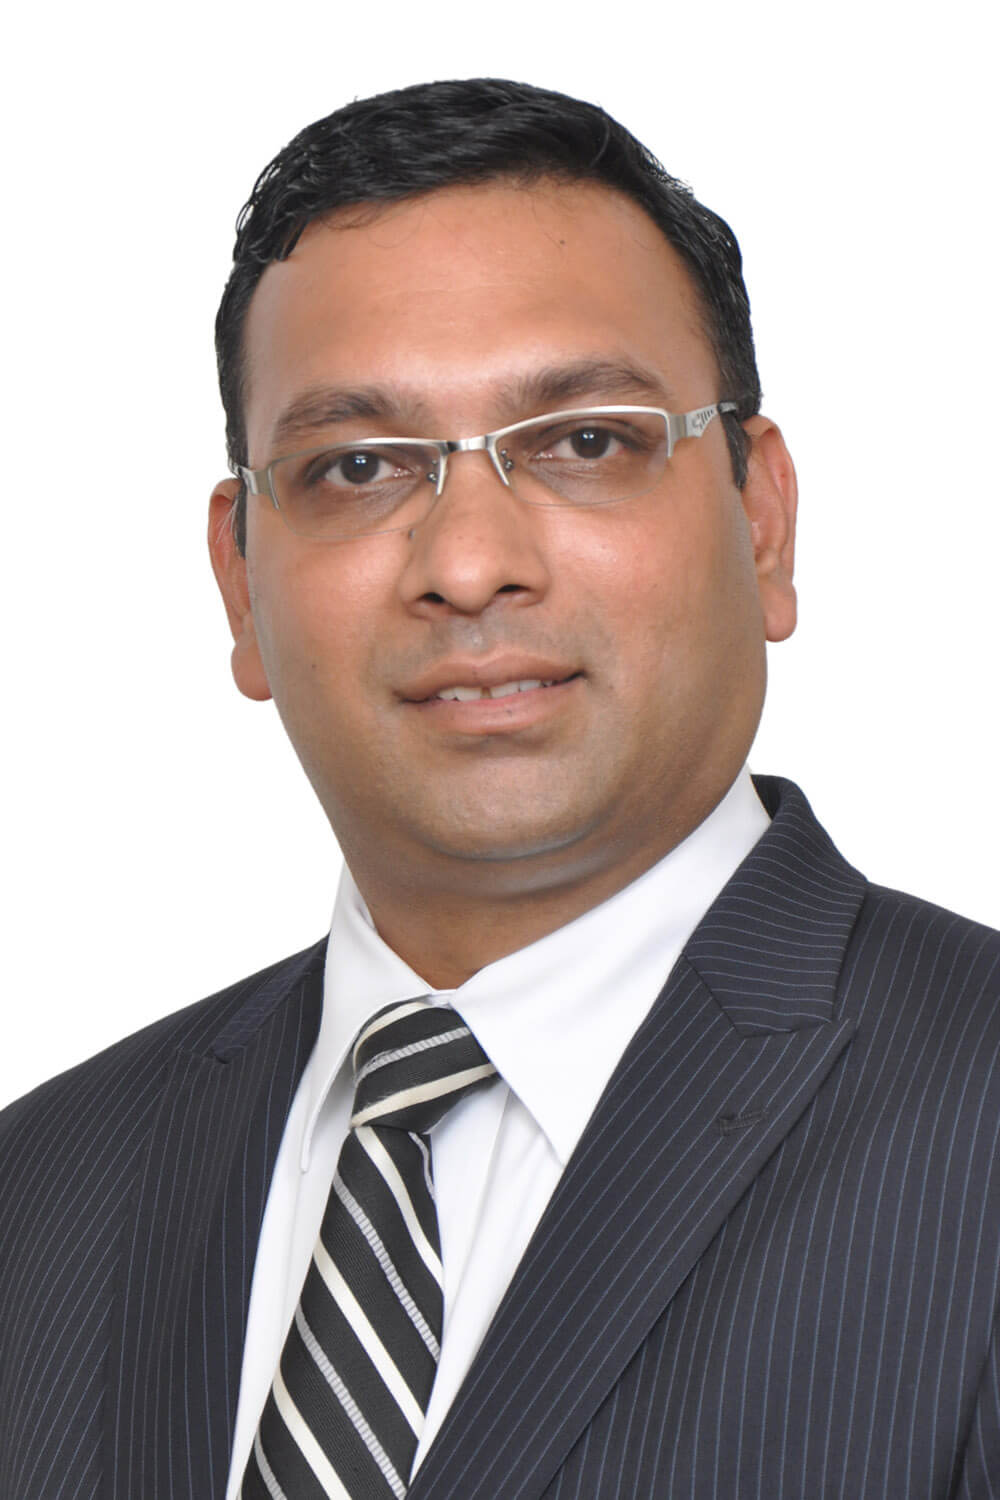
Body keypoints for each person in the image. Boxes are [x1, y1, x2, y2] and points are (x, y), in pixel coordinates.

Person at [1, 77, 998, 1500]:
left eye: (587, 440)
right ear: (239, 580)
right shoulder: (40, 1192)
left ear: (761, 520)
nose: (469, 566)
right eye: (356, 467)